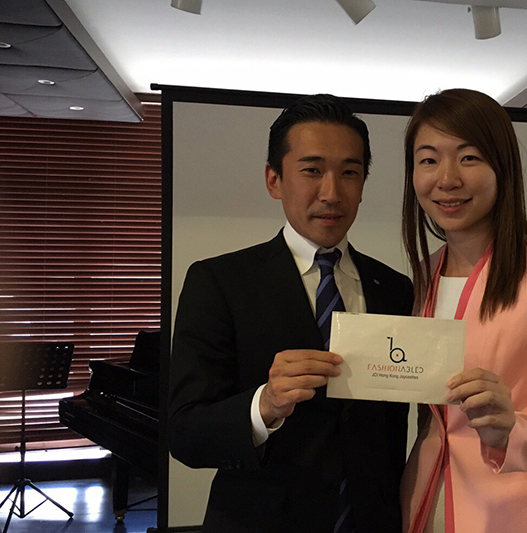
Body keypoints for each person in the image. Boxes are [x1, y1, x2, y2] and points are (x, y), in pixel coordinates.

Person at [169, 94, 414, 533]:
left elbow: (392, 434)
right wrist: (264, 404)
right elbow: (186, 433)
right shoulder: (220, 282)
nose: (331, 193)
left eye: (350, 172)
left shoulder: (395, 288)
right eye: (312, 170)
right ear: (274, 179)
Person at [399, 88, 527, 533]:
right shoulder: (424, 275)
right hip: (427, 504)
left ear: (502, 167)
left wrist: (512, 429)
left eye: (469, 158)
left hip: (518, 515)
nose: (447, 179)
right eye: (428, 160)